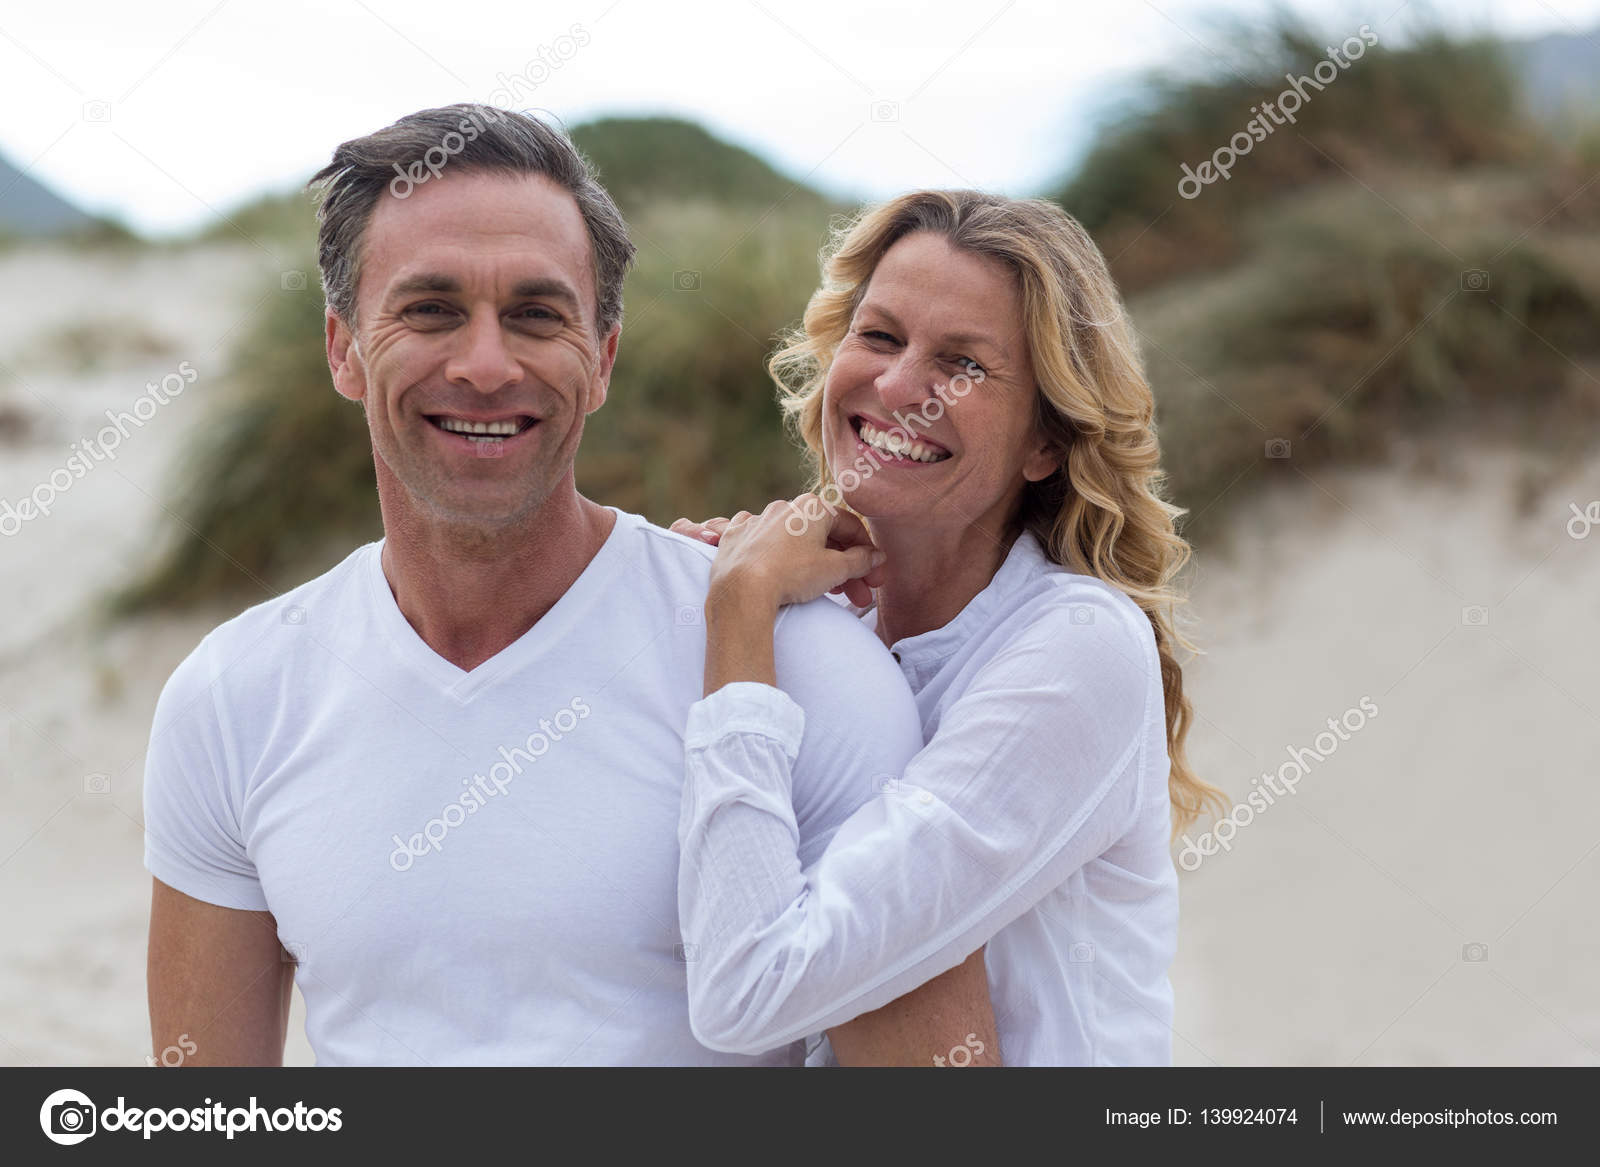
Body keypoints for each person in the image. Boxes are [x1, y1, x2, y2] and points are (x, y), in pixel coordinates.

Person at [141, 105, 999, 1067]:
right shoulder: (233, 697)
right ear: (343, 348)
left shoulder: (802, 670)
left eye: (537, 315)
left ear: (602, 358)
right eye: (429, 309)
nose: (484, 364)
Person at [673, 190, 1224, 1064]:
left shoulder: (1076, 649)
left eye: (962, 366)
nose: (897, 388)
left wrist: (737, 625)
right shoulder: (824, 625)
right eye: (880, 336)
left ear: (1043, 442)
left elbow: (751, 989)